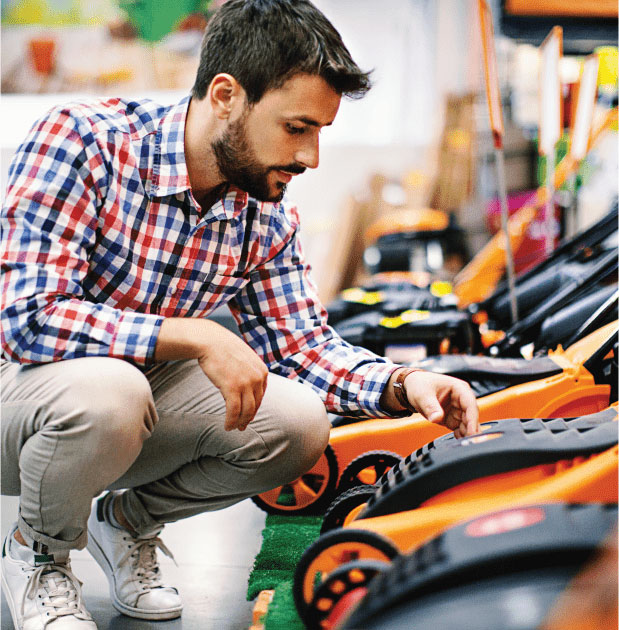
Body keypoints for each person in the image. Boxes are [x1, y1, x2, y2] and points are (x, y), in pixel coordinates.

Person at [0, 1, 479, 627]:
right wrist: (194, 335)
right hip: (22, 396)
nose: (311, 157)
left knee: (297, 421)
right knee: (110, 388)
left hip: (125, 405)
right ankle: (39, 553)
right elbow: (27, 319)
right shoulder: (83, 140)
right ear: (225, 94)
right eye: (297, 128)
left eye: (320, 133)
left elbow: (303, 346)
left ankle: (125, 522)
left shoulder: (264, 212)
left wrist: (404, 383)